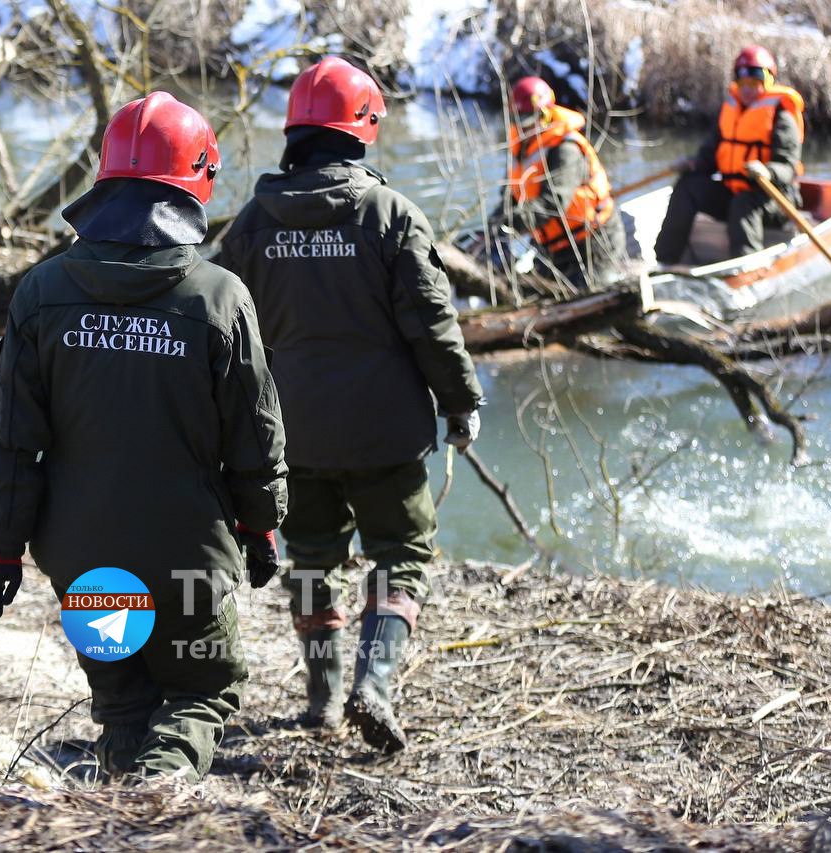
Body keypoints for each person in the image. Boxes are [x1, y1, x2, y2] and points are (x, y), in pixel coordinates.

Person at [0, 91, 288, 783]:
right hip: (187, 559)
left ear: (106, 179)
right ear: (197, 182)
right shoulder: (218, 298)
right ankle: (160, 789)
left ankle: (123, 800)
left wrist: (3, 550)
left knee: (121, 699)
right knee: (203, 688)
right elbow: (255, 434)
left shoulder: (41, 293)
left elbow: (12, 442)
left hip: (84, 557)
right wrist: (260, 527)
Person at [216, 56, 484, 754]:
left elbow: (220, 335)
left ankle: (323, 700)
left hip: (289, 438)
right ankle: (376, 684)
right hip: (384, 436)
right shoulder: (389, 216)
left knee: (309, 558)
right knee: (400, 553)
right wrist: (460, 403)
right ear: (362, 130)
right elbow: (431, 325)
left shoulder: (247, 226)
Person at [653, 45, 804, 265]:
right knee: (688, 186)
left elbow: (787, 167)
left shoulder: (781, 116)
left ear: (768, 82)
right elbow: (711, 157)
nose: (747, 90)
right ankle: (664, 262)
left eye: (754, 84)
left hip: (773, 200)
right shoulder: (729, 112)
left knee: (743, 203)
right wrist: (693, 164)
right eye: (743, 84)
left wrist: (767, 171)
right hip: (733, 193)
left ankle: (745, 271)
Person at [486, 76, 627, 291]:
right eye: (520, 122)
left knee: (586, 302)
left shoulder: (565, 150)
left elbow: (553, 203)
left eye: (529, 121)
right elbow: (511, 197)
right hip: (553, 247)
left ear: (544, 115)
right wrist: (492, 226)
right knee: (536, 296)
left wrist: (510, 222)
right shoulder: (521, 149)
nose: (525, 128)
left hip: (593, 243)